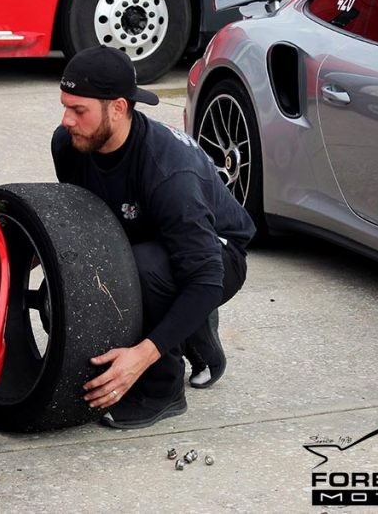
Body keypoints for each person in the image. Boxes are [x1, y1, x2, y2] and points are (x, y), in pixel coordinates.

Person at [52, 45, 255, 429]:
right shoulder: (70, 145)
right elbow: (85, 220)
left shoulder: (169, 174)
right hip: (150, 238)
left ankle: (163, 390)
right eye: (65, 106)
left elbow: (206, 277)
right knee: (92, 272)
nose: (66, 120)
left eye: (79, 110)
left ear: (118, 108)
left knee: (145, 270)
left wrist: (142, 356)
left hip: (217, 256)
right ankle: (196, 334)